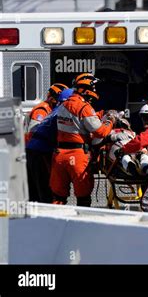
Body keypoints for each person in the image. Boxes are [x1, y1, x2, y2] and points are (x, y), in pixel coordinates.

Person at [50, 73, 117, 206]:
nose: (95, 91)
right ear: (86, 89)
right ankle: (82, 225)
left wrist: (99, 114)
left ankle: (55, 225)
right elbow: (100, 132)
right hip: (77, 156)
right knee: (83, 196)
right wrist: (110, 120)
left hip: (59, 155)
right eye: (93, 87)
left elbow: (78, 120)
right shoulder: (84, 107)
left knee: (58, 197)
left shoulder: (64, 105)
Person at [26, 88, 74, 203]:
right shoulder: (47, 110)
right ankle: (46, 217)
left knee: (34, 192)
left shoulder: (53, 111)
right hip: (41, 153)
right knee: (46, 189)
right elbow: (33, 130)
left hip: (33, 151)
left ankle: (33, 217)